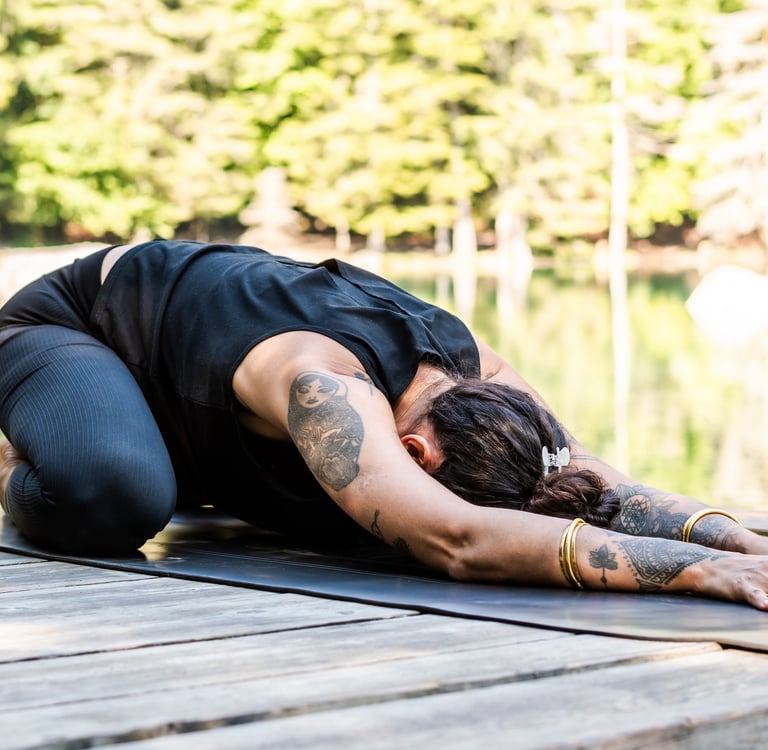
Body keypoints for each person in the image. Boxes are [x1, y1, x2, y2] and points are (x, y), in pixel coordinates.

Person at [2, 239, 768, 610]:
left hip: (192, 388)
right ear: (414, 450)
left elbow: (600, 481)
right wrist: (695, 573)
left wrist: (730, 537)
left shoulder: (486, 376)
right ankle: (17, 448)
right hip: (77, 332)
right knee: (118, 496)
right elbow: (459, 540)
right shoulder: (323, 387)